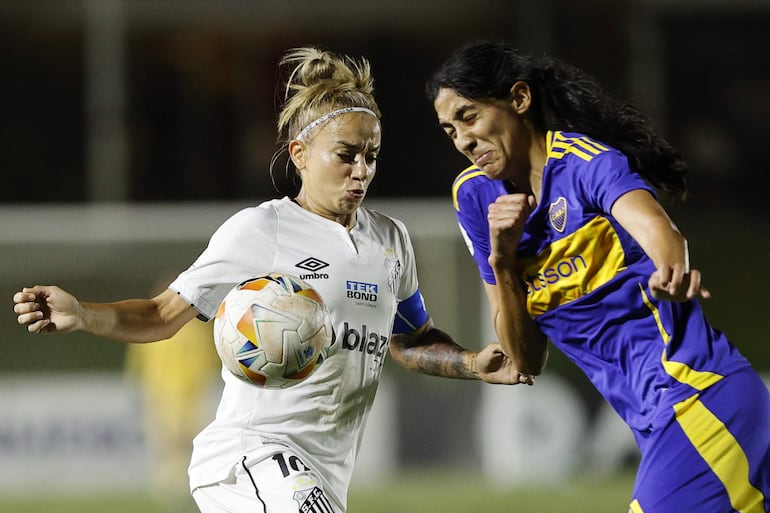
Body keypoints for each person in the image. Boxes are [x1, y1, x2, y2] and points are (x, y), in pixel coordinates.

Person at [13, 46, 528, 513]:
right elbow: (160, 315)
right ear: (301, 154)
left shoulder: (391, 240)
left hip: (322, 471)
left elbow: (410, 339)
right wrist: (81, 314)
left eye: (371, 155)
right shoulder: (262, 230)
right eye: (346, 154)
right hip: (251, 457)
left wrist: (471, 363)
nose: (362, 170)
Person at [426, 39, 770, 513]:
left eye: (469, 116)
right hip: (655, 422)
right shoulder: (475, 199)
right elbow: (524, 360)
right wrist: (503, 261)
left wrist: (672, 269)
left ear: (519, 100)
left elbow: (659, 230)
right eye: (449, 130)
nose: (463, 139)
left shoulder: (586, 163)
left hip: (695, 393)